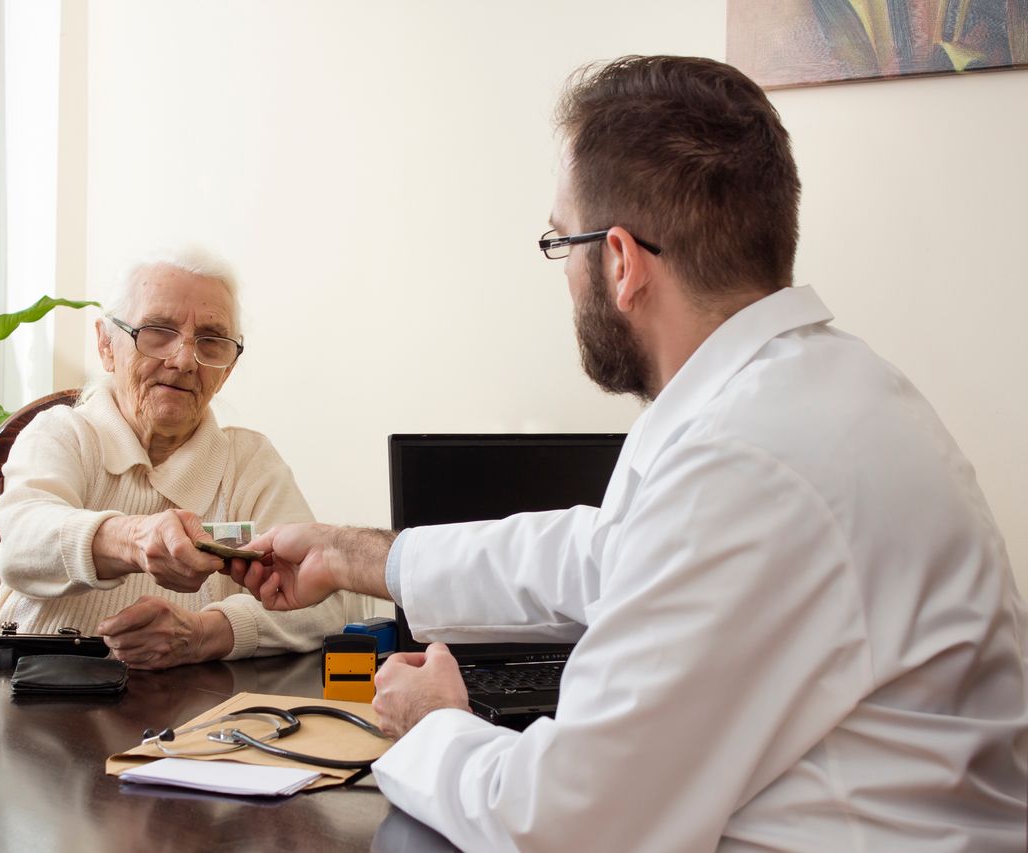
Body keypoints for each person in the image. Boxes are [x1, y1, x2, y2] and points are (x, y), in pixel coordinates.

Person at [231, 56, 1028, 851]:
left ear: (619, 261)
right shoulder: (807, 392)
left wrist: (436, 724)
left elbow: (562, 825)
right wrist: (347, 555)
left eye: (559, 240)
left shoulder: (749, 460)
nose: (563, 271)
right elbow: (599, 551)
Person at [0, 248, 362, 666]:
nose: (183, 360)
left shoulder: (249, 463)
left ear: (227, 369)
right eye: (158, 331)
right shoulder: (63, 433)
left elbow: (329, 606)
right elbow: (20, 543)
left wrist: (206, 633)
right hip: (32, 703)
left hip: (191, 718)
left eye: (211, 341)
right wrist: (132, 539)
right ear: (107, 346)